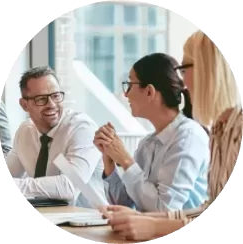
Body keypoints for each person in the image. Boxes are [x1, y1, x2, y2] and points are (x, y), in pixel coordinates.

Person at [99, 30, 242, 241]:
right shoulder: (218, 133)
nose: (182, 83)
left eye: (184, 70)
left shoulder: (192, 135)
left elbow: (164, 206)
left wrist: (126, 160)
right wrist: (110, 163)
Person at [94, 52, 210, 212]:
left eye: (129, 84)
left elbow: (165, 210)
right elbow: (125, 206)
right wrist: (109, 160)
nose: (125, 93)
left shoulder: (188, 137)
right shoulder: (147, 144)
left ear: (149, 91)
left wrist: (126, 160)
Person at [6, 66, 106, 208]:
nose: (51, 104)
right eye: (41, 99)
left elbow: (71, 186)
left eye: (56, 96)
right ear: (24, 105)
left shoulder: (81, 128)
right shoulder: (25, 132)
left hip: (90, 221)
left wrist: (21, 185)